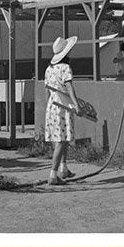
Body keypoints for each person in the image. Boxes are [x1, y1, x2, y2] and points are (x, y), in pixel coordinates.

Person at [43, 35, 80, 186]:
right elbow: (69, 87)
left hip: (52, 103)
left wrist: (49, 102)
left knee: (60, 138)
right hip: (63, 104)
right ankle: (53, 174)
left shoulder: (49, 69)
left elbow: (46, 89)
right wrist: (76, 104)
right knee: (61, 139)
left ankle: (63, 168)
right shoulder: (65, 68)